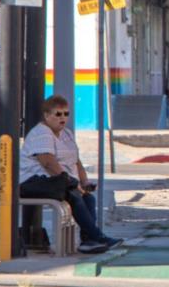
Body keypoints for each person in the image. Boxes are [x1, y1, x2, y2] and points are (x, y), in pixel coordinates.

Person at [19, 95, 123, 254]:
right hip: (34, 182)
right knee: (74, 195)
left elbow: (76, 160)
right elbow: (48, 162)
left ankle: (88, 240)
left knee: (88, 197)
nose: (63, 118)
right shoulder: (41, 133)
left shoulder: (66, 134)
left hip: (56, 182)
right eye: (58, 114)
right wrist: (69, 182)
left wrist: (84, 181)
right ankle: (97, 236)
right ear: (47, 116)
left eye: (66, 114)